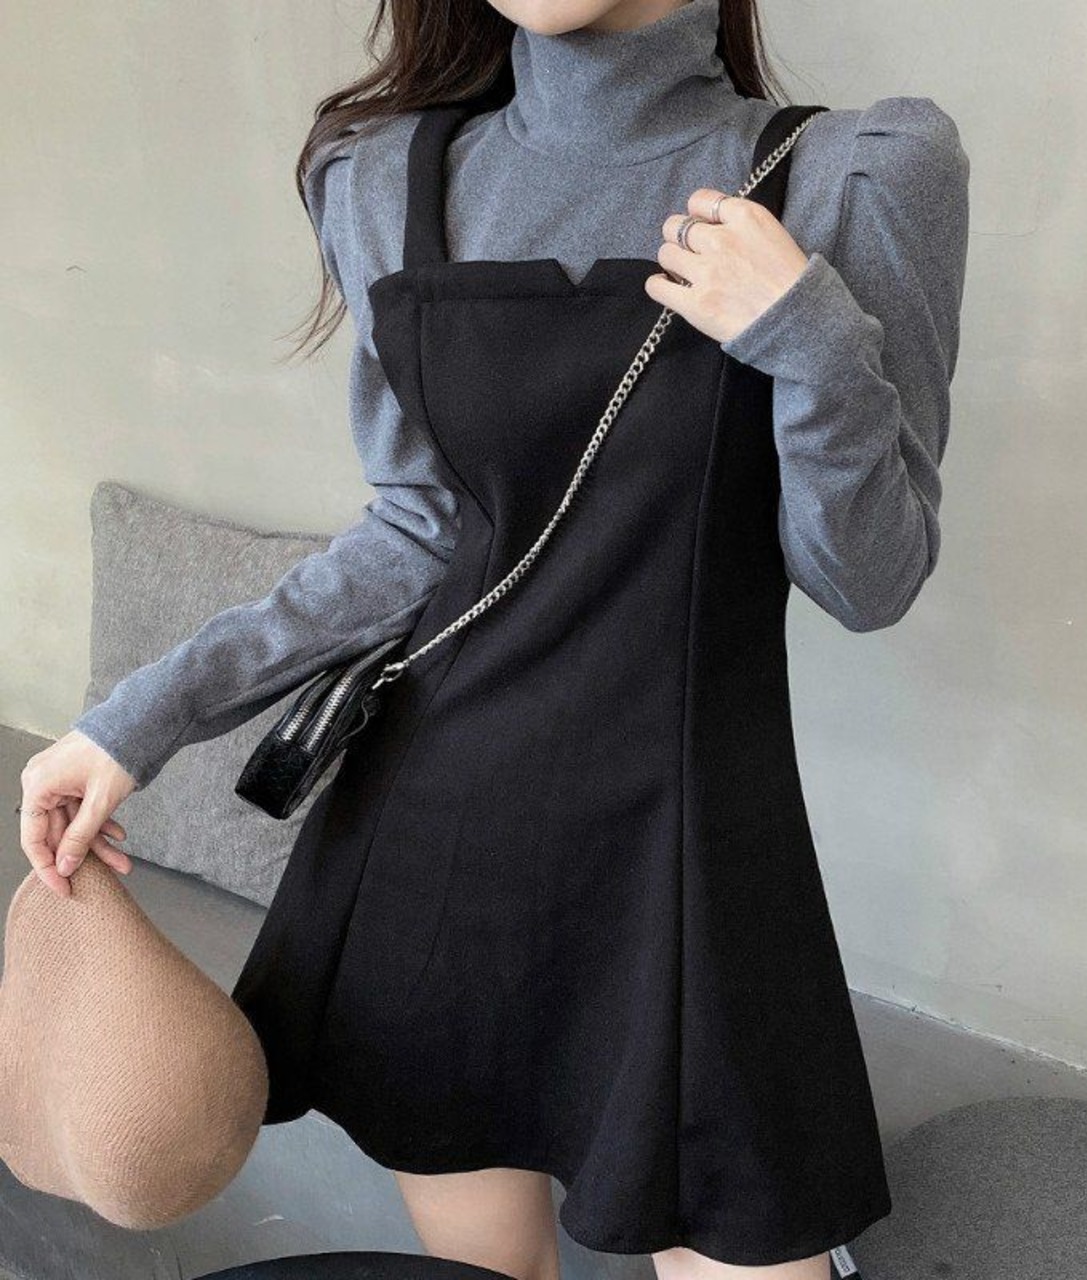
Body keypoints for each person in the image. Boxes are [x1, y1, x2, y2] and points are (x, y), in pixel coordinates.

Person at [17, 0, 970, 1276]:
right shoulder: (379, 176)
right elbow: (414, 531)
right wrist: (137, 720)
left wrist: (807, 336)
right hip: (439, 851)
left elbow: (871, 580)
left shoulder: (861, 171)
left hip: (690, 864)